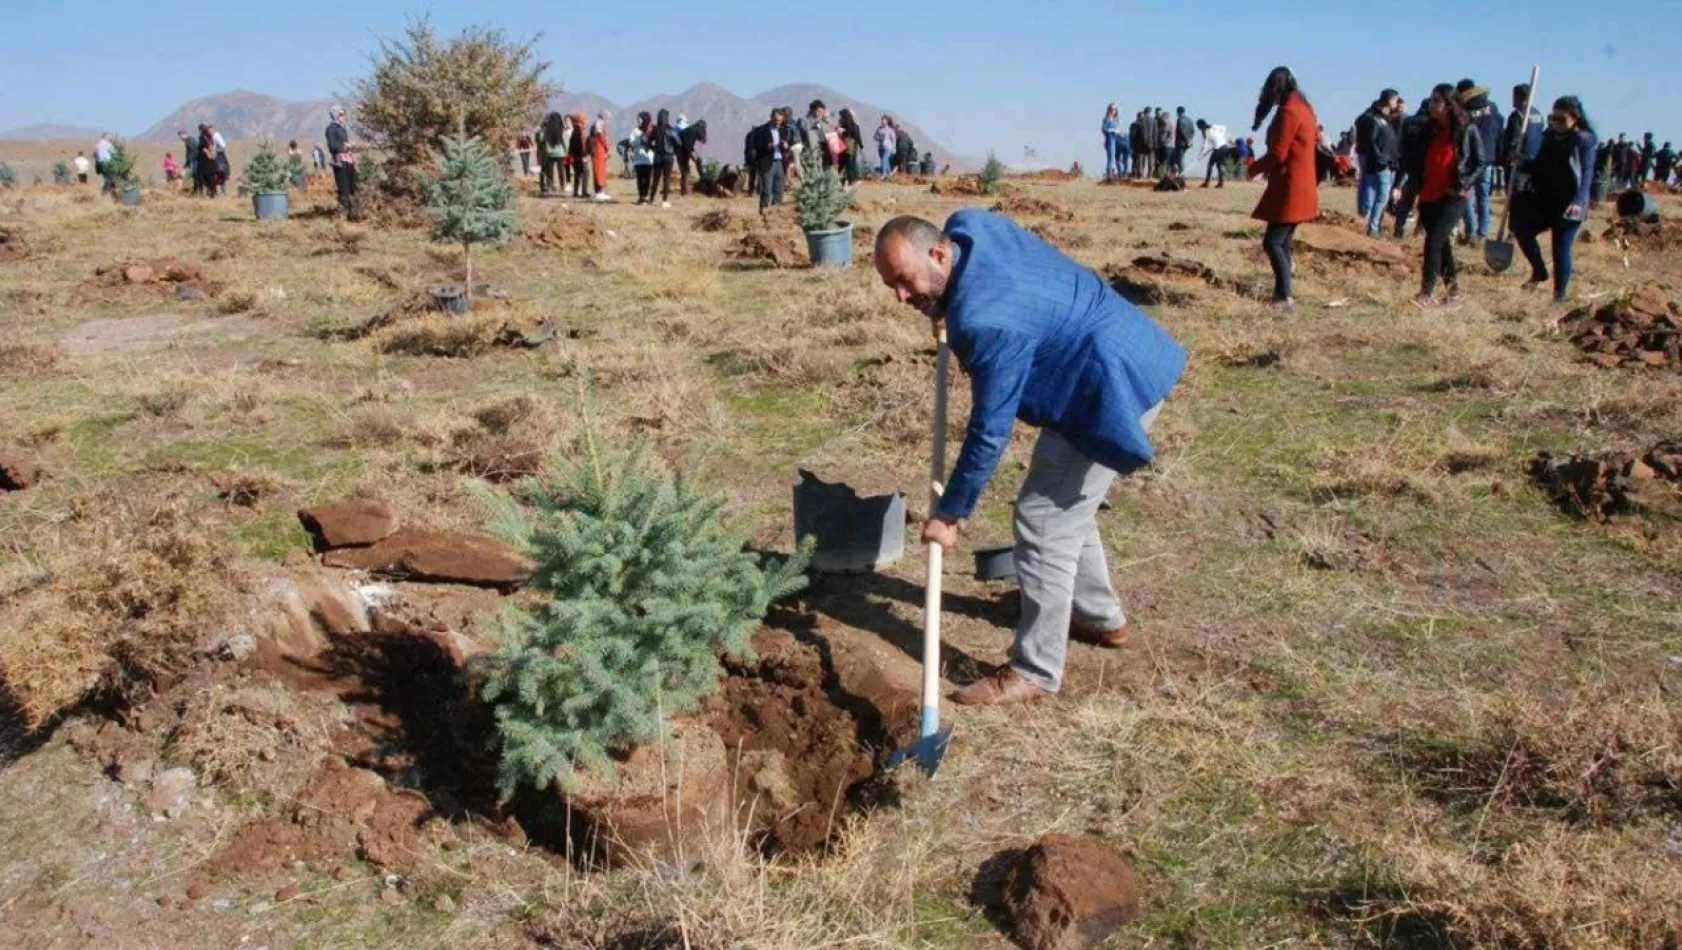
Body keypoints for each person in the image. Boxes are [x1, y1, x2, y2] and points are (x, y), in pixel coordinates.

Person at [870, 212, 1185, 707]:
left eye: (905, 282)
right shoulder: (969, 227)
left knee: (1041, 517)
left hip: (1112, 386)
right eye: (891, 286)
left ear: (938, 253)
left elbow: (990, 430)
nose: (900, 297)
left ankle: (1035, 669)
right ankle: (1101, 618)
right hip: (1118, 346)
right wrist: (944, 301)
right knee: (1063, 505)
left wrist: (950, 512)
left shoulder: (986, 322)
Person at [1510, 96, 1597, 305]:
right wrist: (1522, 162)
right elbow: (1540, 166)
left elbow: (1586, 175)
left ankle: (1559, 297)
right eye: (1553, 118)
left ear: (1575, 118)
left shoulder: (1583, 140)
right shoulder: (1549, 136)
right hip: (1545, 198)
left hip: (1570, 202)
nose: (1556, 123)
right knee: (1521, 228)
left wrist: (1578, 201)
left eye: (1561, 118)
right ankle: (1539, 271)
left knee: (1560, 248)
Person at [1409, 84, 1487, 308]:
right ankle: (1454, 293)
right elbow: (1417, 157)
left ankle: (1426, 292)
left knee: (1433, 240)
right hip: (1428, 194)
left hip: (1454, 195)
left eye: (1436, 101)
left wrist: (1463, 183)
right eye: (1431, 100)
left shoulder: (1466, 129)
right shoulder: (1428, 129)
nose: (1431, 104)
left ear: (1449, 104)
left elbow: (1480, 162)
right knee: (1442, 244)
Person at [1248, 67, 1319, 310]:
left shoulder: (1289, 111)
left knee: (1273, 242)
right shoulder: (1304, 107)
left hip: (1291, 186)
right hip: (1301, 183)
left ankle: (1284, 297)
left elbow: (1278, 154)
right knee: (1284, 241)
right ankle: (1283, 293)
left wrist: (1253, 168)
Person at [1454, 80, 1503, 246]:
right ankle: (1482, 232)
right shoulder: (1494, 108)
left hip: (1470, 159)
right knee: (1483, 197)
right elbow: (1499, 129)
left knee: (1466, 195)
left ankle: (1472, 231)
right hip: (1488, 158)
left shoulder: (1466, 109)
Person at [1355, 90, 1402, 236]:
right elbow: (1372, 141)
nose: (1397, 103)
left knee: (1381, 194)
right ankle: (1373, 226)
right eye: (1395, 100)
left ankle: (1373, 224)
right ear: (1390, 101)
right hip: (1382, 163)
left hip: (1388, 162)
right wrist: (1381, 158)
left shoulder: (1385, 118)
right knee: (1382, 195)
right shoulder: (1375, 119)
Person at [1500, 83, 1544, 193]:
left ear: (1519, 96)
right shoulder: (1539, 115)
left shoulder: (1517, 115)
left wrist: (1506, 158)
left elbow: (1513, 140)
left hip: (1518, 163)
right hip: (1534, 161)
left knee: (1515, 196)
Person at [750, 107, 791, 211]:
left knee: (779, 191)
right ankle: (763, 215)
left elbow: (787, 146)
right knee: (766, 191)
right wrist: (768, 146)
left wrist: (786, 146)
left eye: (780, 120)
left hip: (780, 164)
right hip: (767, 162)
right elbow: (756, 146)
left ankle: (775, 215)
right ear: (771, 118)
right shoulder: (762, 130)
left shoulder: (784, 130)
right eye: (776, 120)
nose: (778, 123)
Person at [325, 106, 359, 219]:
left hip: (348, 160)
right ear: (335, 115)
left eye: (344, 114)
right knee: (343, 188)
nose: (343, 116)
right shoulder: (331, 129)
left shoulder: (342, 128)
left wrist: (350, 147)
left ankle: (352, 213)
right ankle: (343, 215)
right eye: (341, 114)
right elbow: (333, 146)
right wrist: (346, 146)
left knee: (353, 186)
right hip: (340, 162)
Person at [649, 108, 680, 207]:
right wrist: (673, 150)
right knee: (666, 179)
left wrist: (654, 148)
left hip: (657, 156)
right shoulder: (671, 129)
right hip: (668, 156)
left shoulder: (655, 129)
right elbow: (679, 143)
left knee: (655, 179)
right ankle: (664, 201)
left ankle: (651, 199)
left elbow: (649, 142)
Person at [794, 100, 833, 171]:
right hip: (808, 155)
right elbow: (799, 138)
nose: (820, 114)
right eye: (818, 111)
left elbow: (823, 138)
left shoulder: (821, 123)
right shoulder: (804, 122)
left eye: (821, 112)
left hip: (820, 155)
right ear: (812, 111)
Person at [1196, 118, 1231, 188]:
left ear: (1200, 126)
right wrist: (1221, 137)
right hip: (1225, 146)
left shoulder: (1204, 132)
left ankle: (1206, 183)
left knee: (1210, 164)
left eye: (1198, 127)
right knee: (1219, 165)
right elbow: (1224, 128)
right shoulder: (1214, 126)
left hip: (1218, 148)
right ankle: (1221, 183)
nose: (1198, 128)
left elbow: (1204, 145)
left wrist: (1200, 155)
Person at [629, 112, 655, 205]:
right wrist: (640, 140)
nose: (638, 121)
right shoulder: (635, 131)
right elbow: (631, 142)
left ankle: (646, 196)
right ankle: (641, 197)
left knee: (647, 179)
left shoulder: (651, 130)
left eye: (640, 119)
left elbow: (654, 142)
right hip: (638, 159)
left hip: (649, 159)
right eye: (638, 119)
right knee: (640, 179)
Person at [678, 119, 709, 195]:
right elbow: (703, 140)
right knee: (686, 170)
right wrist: (694, 156)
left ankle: (702, 178)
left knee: (696, 162)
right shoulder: (696, 130)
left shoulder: (691, 129)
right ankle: (684, 192)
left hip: (683, 149)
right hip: (683, 150)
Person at [538, 112, 565, 195]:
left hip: (549, 153)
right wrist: (565, 150)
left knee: (550, 171)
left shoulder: (547, 129)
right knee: (561, 170)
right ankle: (562, 186)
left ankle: (550, 185)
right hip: (560, 153)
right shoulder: (561, 128)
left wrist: (541, 129)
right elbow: (564, 140)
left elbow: (541, 139)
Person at [589, 112, 613, 201]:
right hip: (599, 150)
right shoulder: (599, 123)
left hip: (596, 150)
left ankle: (597, 192)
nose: (609, 121)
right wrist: (607, 148)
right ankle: (600, 192)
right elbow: (601, 136)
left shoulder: (595, 123)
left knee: (597, 170)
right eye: (608, 118)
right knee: (600, 171)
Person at [836, 109, 864, 185]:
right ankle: (851, 180)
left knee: (841, 164)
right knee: (850, 164)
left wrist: (841, 131)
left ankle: (841, 180)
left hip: (841, 147)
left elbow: (839, 134)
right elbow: (857, 136)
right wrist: (861, 145)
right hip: (851, 147)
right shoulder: (853, 124)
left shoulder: (841, 124)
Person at [1101, 104, 1124, 181]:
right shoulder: (1106, 119)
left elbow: (1119, 129)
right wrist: (1113, 130)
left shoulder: (1116, 120)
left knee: (1116, 158)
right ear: (1109, 110)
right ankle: (1109, 175)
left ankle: (1117, 174)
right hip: (1110, 139)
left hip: (1117, 140)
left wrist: (1119, 132)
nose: (1113, 111)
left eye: (1114, 109)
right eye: (1111, 109)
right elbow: (1104, 129)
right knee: (1110, 158)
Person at [195, 125, 218, 198]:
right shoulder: (210, 137)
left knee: (203, 176)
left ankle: (207, 192)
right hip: (210, 160)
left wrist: (205, 152)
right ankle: (212, 192)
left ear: (201, 130)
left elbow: (203, 148)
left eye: (199, 130)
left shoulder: (202, 138)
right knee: (210, 176)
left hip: (204, 160)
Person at [1173, 107, 1196, 175]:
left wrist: (1187, 141)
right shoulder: (1190, 120)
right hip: (1187, 143)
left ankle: (1182, 175)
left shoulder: (1179, 120)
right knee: (1179, 158)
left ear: (1178, 112)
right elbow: (1193, 131)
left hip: (1181, 143)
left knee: (1180, 159)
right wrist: (1190, 140)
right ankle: (1179, 173)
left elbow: (1181, 131)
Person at [875, 115, 897, 179]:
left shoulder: (890, 130)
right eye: (882, 120)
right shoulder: (879, 129)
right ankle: (889, 173)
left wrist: (894, 148)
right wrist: (880, 138)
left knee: (884, 159)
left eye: (884, 120)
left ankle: (883, 174)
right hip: (880, 147)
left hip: (888, 147)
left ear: (887, 121)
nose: (882, 121)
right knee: (885, 160)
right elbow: (875, 137)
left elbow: (894, 139)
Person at [1128, 110, 1146, 178]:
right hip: (1135, 146)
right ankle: (1135, 173)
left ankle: (1140, 173)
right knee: (1136, 160)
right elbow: (1132, 135)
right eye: (1141, 117)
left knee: (1141, 160)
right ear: (1138, 117)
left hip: (1141, 146)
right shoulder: (1134, 125)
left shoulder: (1142, 125)